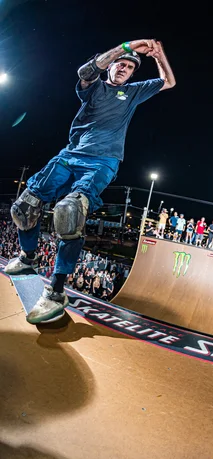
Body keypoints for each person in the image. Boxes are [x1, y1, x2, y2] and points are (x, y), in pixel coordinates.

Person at [5, 38, 176, 324]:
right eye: (120, 64)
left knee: (69, 213)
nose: (123, 68)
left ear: (133, 74)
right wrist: (127, 47)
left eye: (129, 67)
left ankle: (57, 292)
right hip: (70, 155)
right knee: (24, 206)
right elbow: (86, 72)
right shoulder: (94, 86)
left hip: (102, 162)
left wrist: (159, 55)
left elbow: (168, 82)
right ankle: (28, 257)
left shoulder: (133, 92)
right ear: (110, 66)